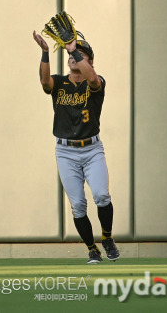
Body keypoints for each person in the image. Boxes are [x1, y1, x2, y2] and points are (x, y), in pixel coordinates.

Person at [32, 27, 120, 264]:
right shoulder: (60, 83)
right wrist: (44, 52)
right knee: (78, 205)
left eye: (79, 54)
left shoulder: (96, 81)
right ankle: (92, 249)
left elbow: (92, 78)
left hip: (92, 150)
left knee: (101, 195)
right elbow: (45, 82)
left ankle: (108, 238)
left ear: (89, 61)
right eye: (71, 54)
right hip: (66, 151)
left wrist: (74, 48)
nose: (73, 56)